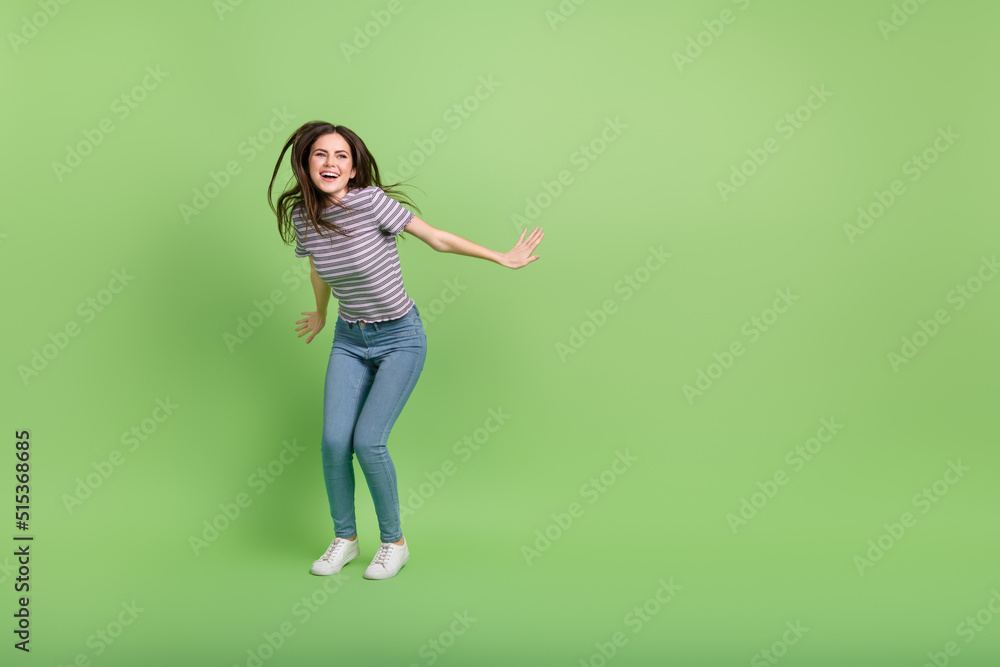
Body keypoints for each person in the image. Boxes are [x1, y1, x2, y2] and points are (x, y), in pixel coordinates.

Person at [268, 121, 544, 580]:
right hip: (349, 340)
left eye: (341, 156)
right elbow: (319, 266)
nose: (331, 163)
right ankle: (346, 539)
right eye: (321, 154)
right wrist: (318, 312)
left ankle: (394, 544)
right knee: (334, 442)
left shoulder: (371, 202)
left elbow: (435, 238)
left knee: (368, 442)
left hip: (400, 337)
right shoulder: (304, 217)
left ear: (354, 169)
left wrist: (502, 256)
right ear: (306, 163)